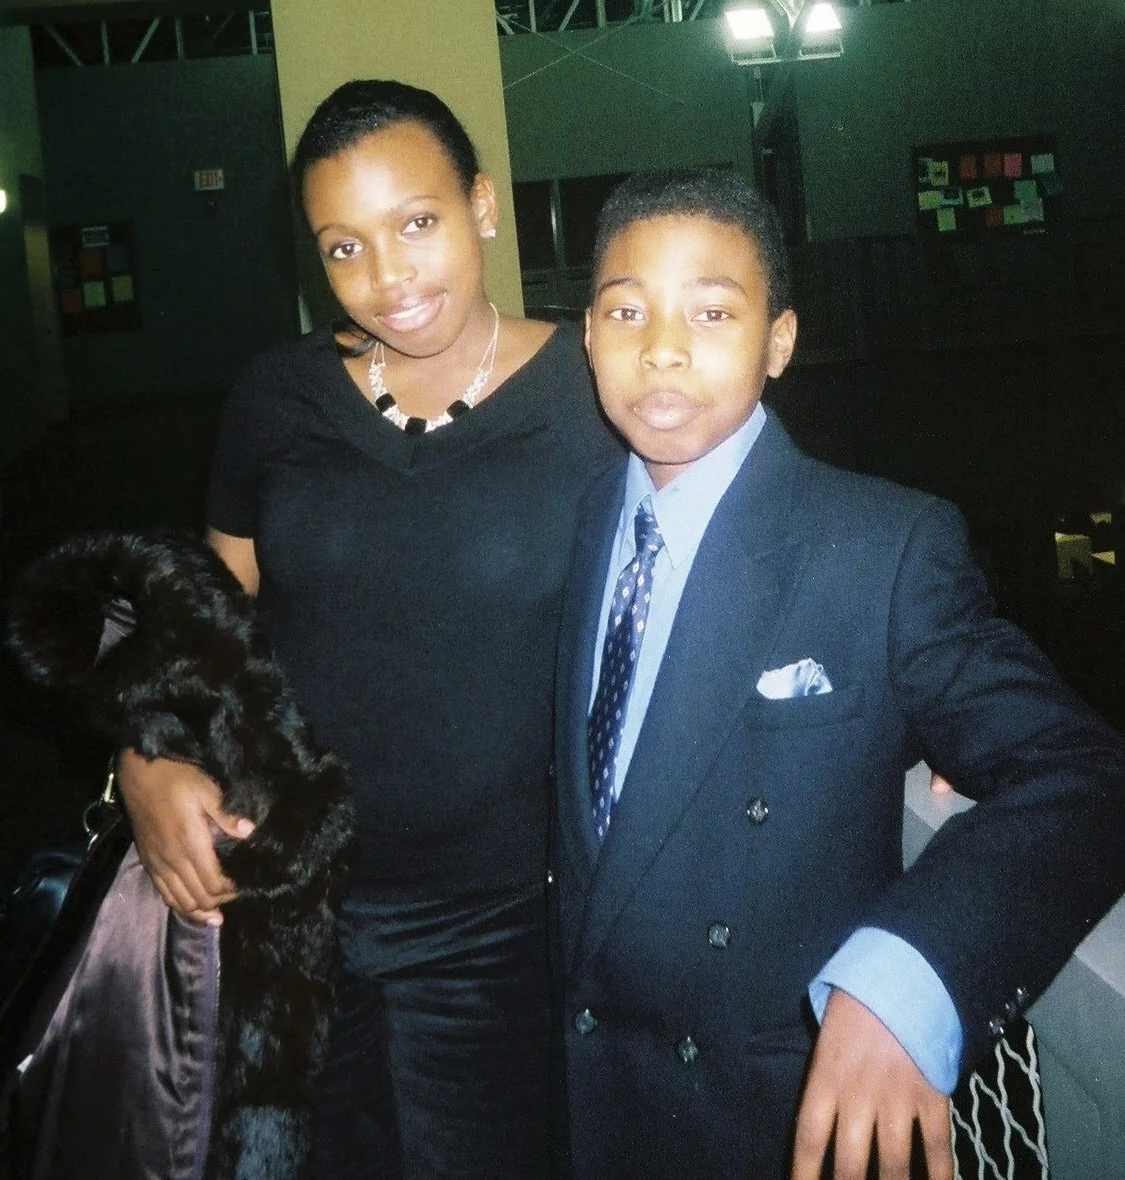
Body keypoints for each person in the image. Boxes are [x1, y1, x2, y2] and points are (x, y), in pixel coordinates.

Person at [552, 167, 1125, 1179]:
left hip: (771, 1119)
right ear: (588, 335)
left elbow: (1084, 772)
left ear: (780, 340)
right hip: (584, 1107)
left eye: (713, 310)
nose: (664, 346)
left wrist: (906, 976)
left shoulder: (880, 547)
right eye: (626, 310)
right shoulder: (583, 520)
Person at [117, 79, 620, 1178]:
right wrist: (145, 755)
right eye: (343, 247)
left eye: (418, 224)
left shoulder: (597, 392)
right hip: (285, 904)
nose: (387, 278)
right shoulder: (278, 396)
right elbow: (211, 608)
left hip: (502, 920)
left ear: (484, 205)